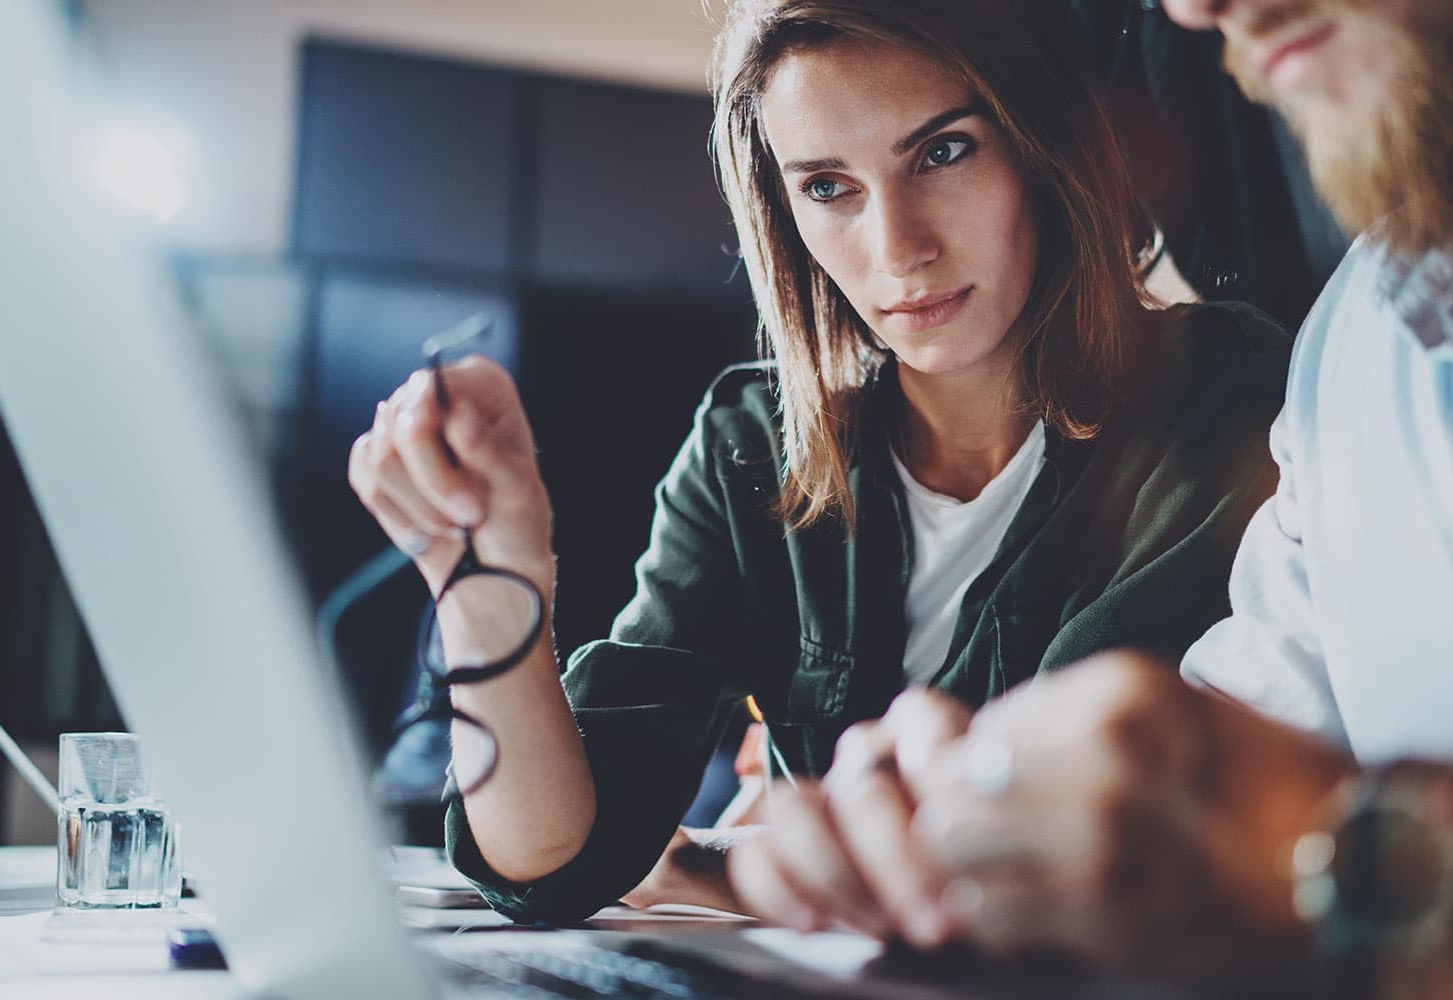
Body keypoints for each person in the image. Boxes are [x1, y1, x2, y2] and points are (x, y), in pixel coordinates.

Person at [729, 0, 1453, 993]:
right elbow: (1218, 763)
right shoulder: (1354, 349)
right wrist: (982, 827)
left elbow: (1290, 840)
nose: (1197, 8)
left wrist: (1385, 862)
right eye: (826, 186)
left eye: (946, 150)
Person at [347, 0, 1291, 924]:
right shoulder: (750, 445)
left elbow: (1036, 826)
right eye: (828, 187)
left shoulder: (1214, 394)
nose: (899, 248)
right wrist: (483, 581)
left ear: (1044, 145)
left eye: (945, 151)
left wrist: (723, 869)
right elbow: (548, 861)